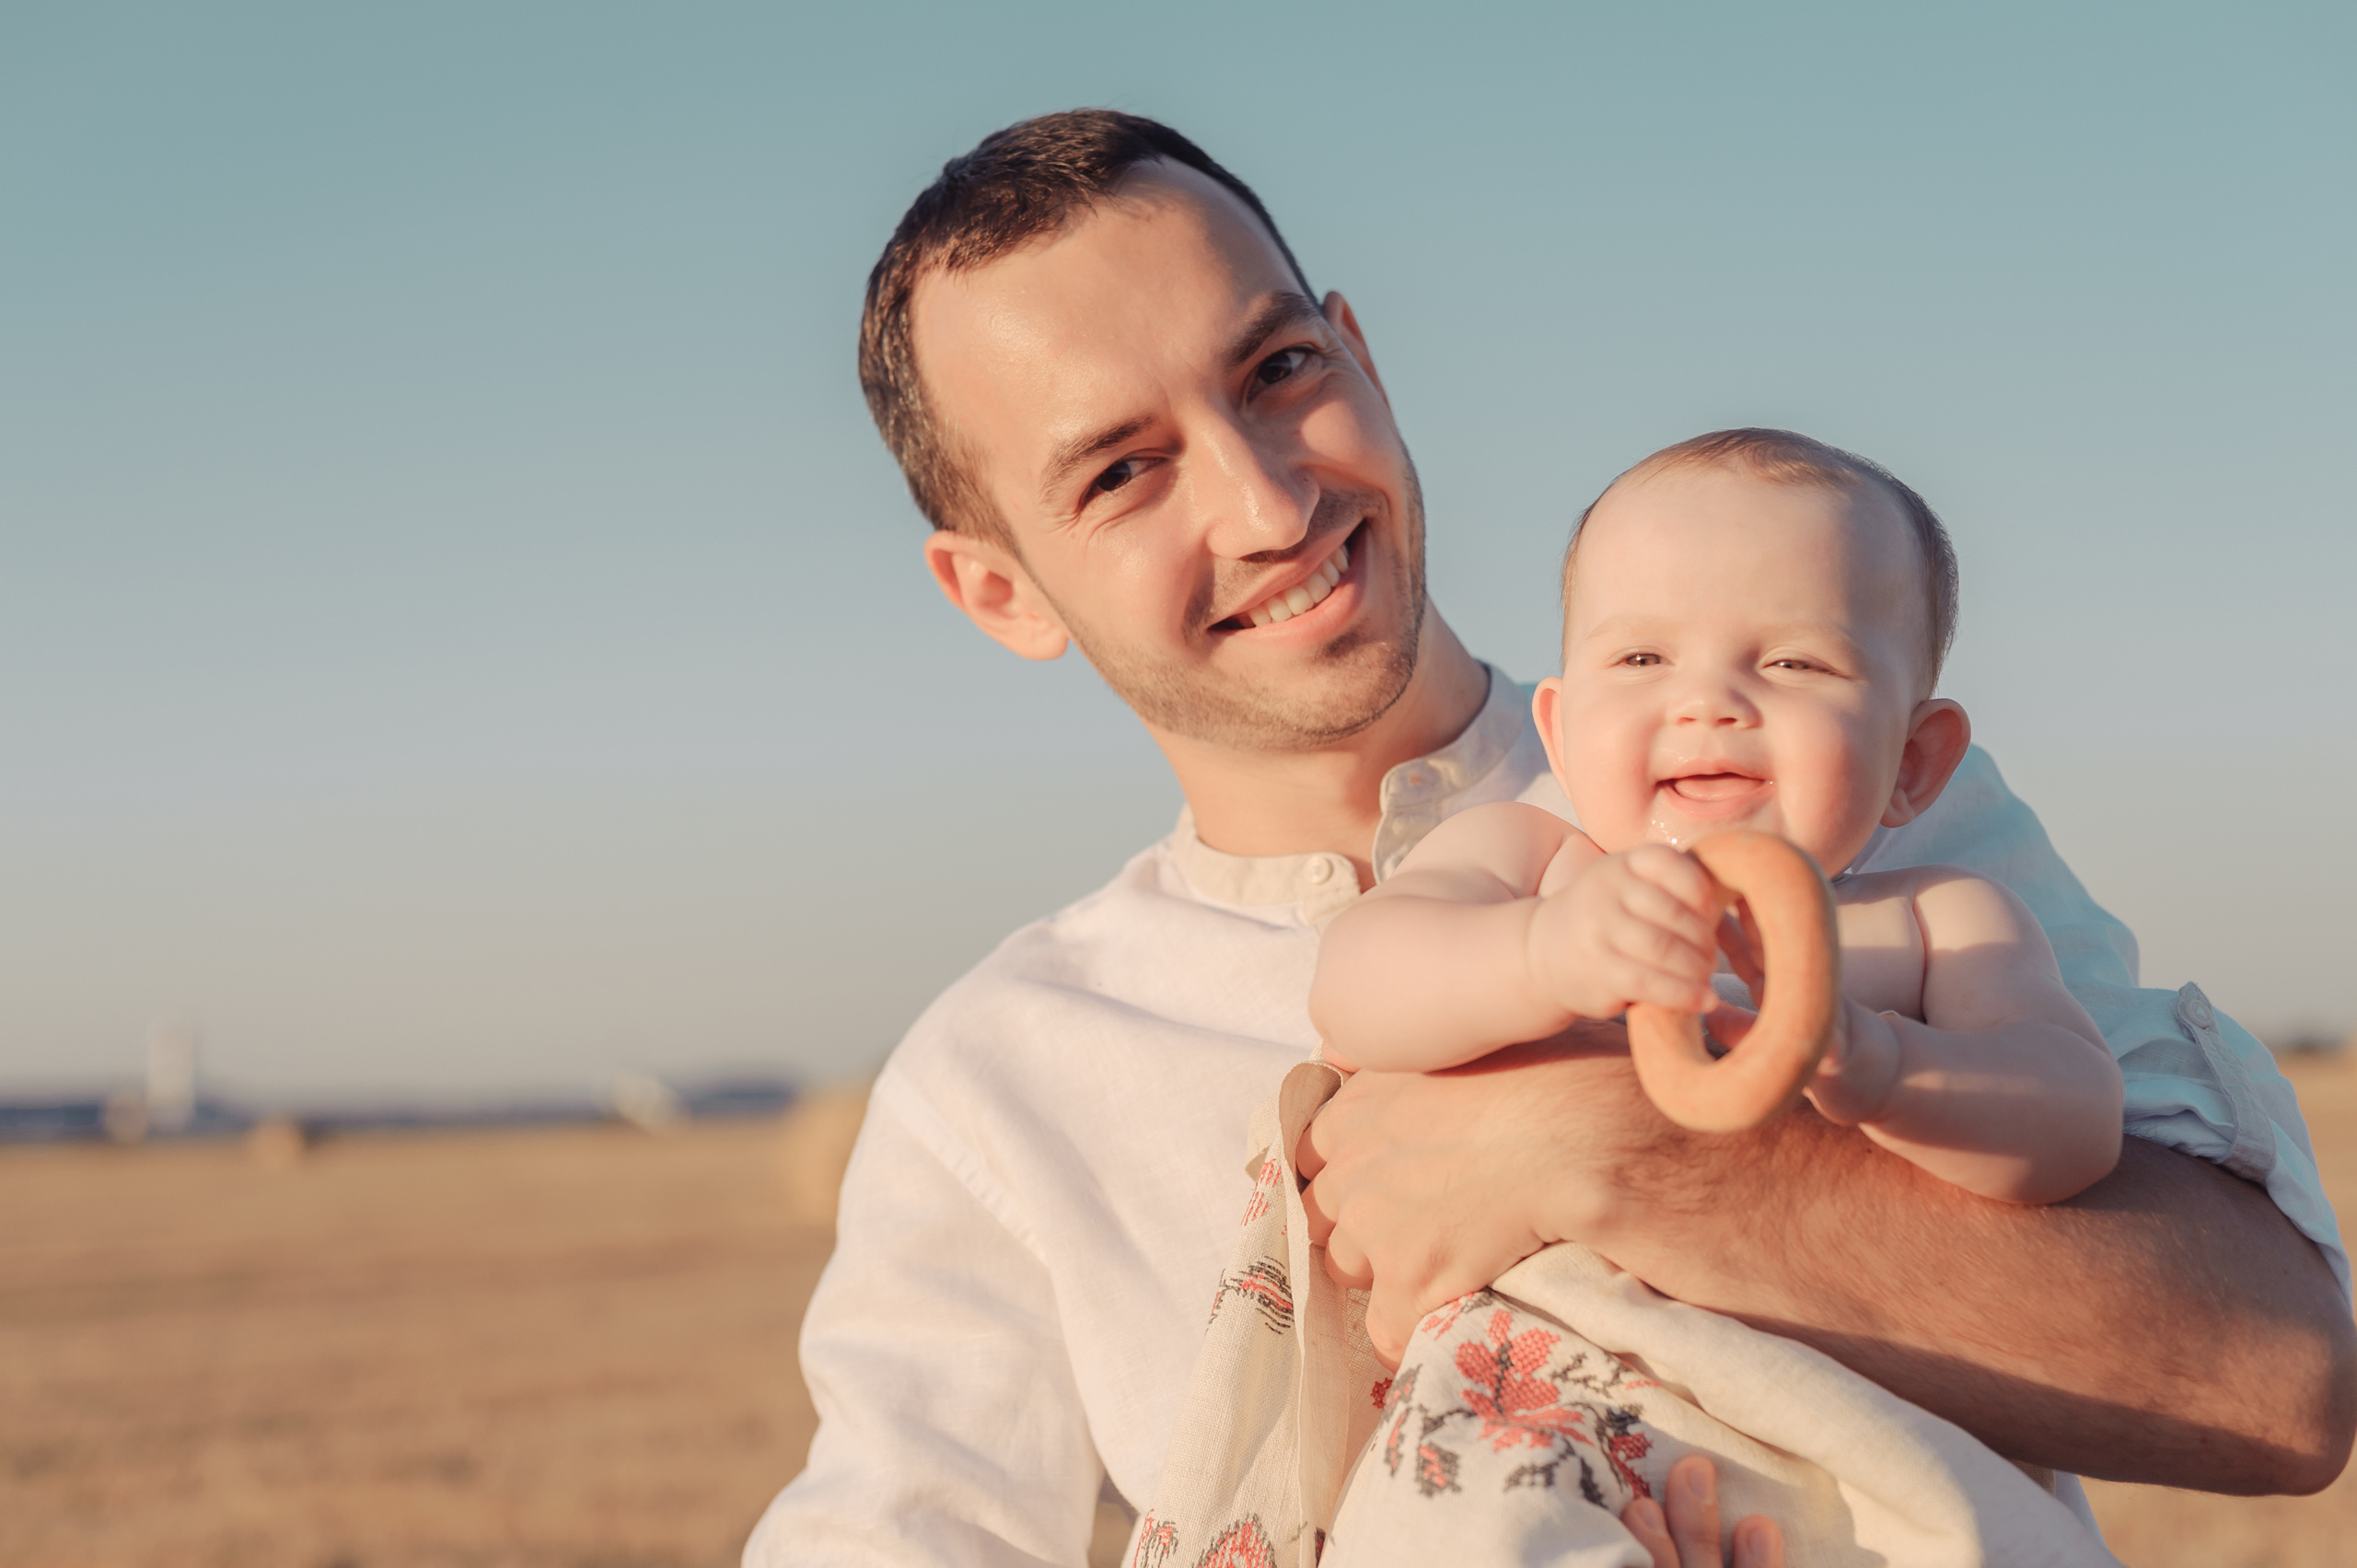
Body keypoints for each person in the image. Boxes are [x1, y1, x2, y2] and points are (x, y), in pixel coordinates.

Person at [747, 110, 2353, 1567]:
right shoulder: (1001, 1084)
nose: (1264, 500)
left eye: (1279, 370)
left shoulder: (1828, 802)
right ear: (1000, 590)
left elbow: (2281, 1380)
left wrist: (1610, 1157)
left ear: (1360, 353)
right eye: (1123, 470)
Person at [1140, 430, 2136, 1566]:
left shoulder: (1932, 921)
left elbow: (2072, 1118)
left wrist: (1883, 1063)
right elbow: (1359, 984)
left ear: (1914, 758)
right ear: (1559, 728)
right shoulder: (1538, 867)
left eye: (1794, 663)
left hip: (1867, 1458)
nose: (1708, 702)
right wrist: (1541, 957)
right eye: (1642, 660)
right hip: (1538, 1428)